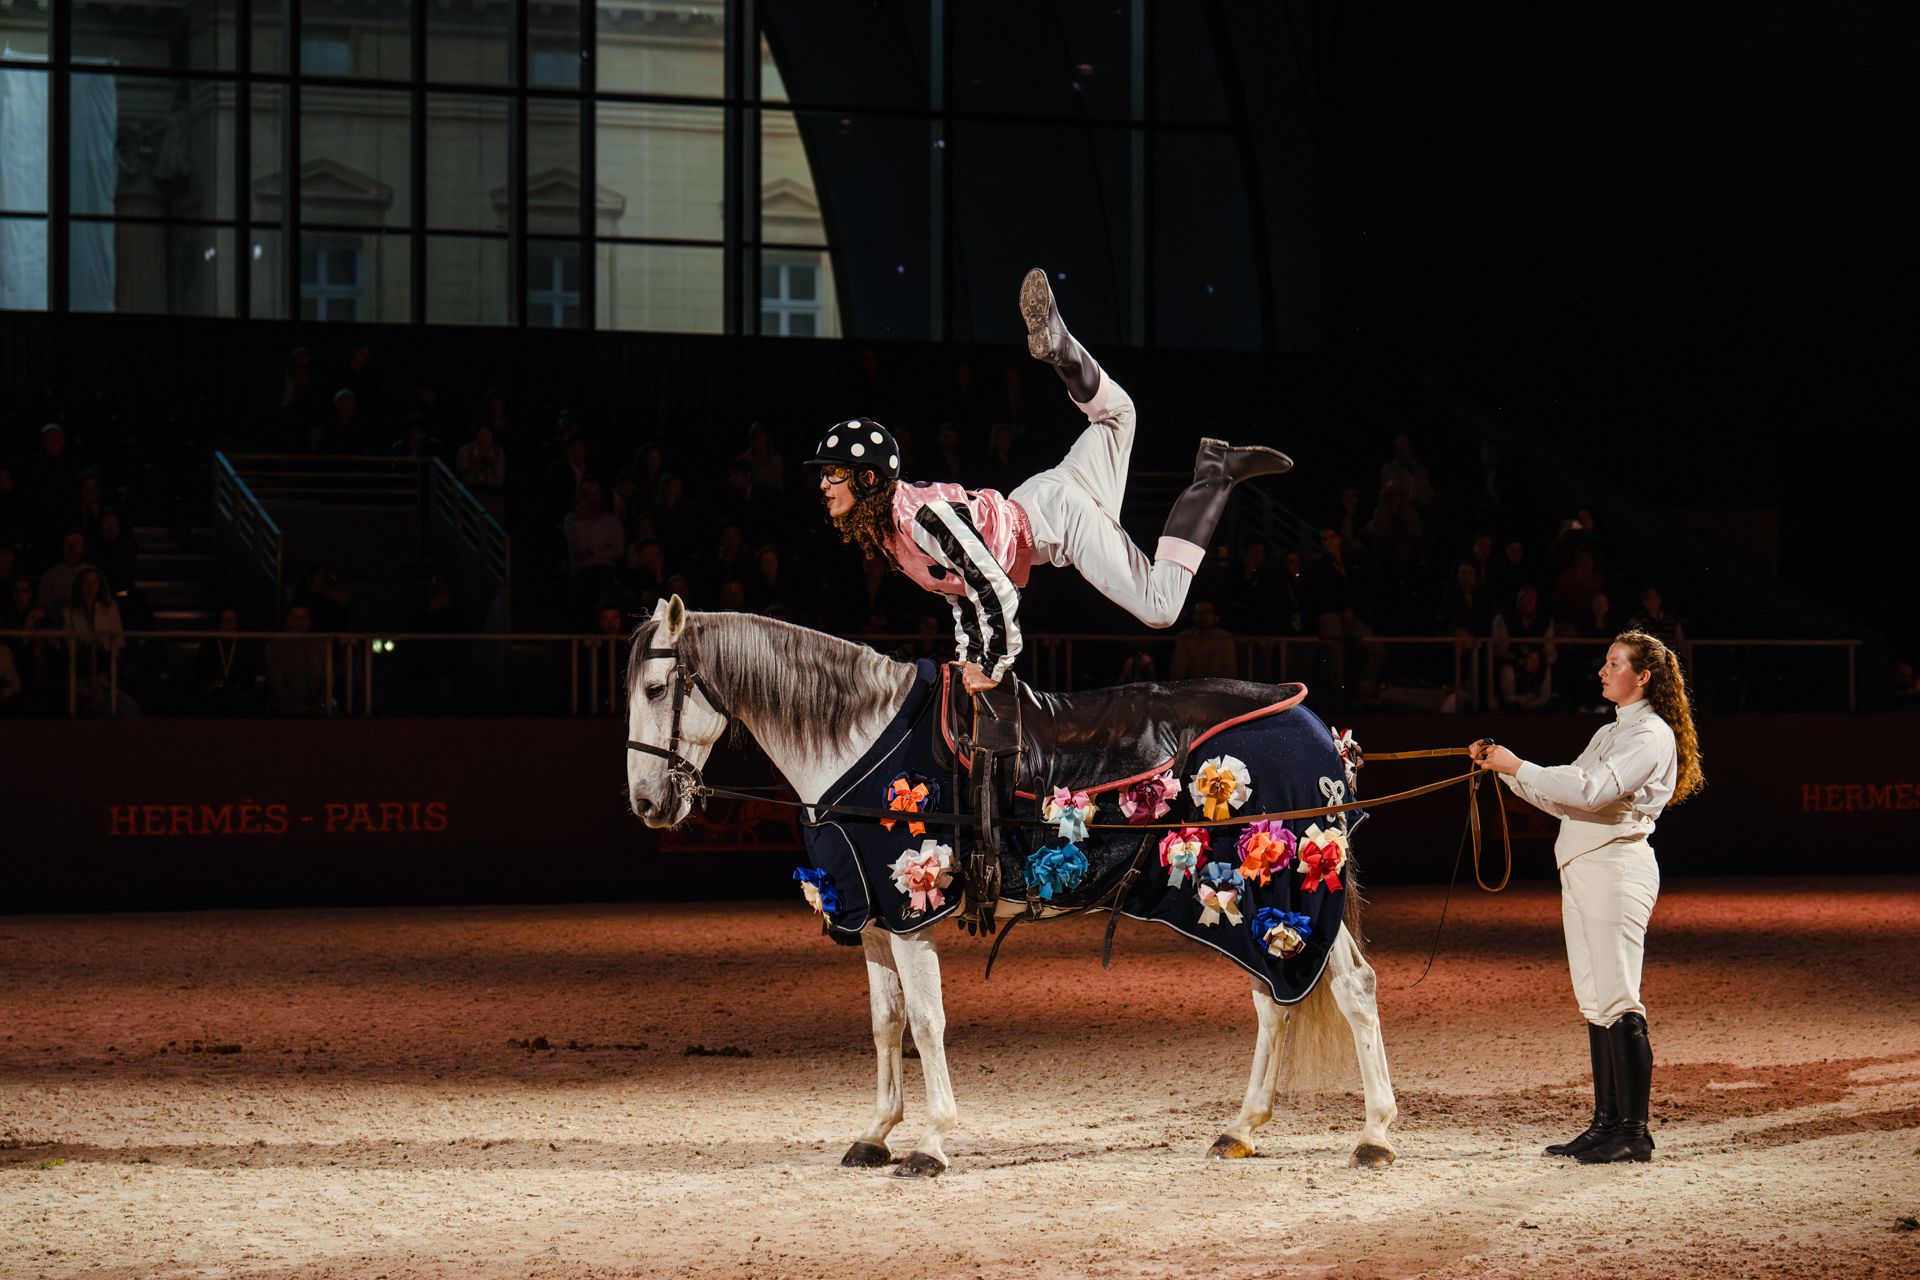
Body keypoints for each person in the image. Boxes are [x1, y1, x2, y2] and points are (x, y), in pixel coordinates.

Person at [806, 269, 1291, 693]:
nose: (824, 485)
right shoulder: (893, 528)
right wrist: (968, 659)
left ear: (868, 477)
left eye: (833, 474)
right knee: (1119, 415)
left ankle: (1216, 476)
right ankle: (1066, 351)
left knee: (1161, 606)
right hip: (1041, 498)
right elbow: (961, 591)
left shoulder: (919, 520)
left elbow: (991, 584)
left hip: (1058, 521)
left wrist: (993, 665)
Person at [1469, 631, 1704, 1165]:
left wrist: (1516, 766)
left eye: (1614, 663)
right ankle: (1606, 1124)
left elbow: (1590, 791)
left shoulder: (1649, 735)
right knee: (1595, 999)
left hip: (1617, 869)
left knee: (1619, 996)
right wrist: (1505, 772)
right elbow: (1567, 794)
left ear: (1643, 676)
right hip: (1584, 866)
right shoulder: (1610, 732)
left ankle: (1634, 1132)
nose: (1603, 671)